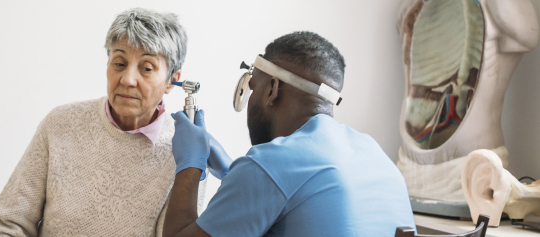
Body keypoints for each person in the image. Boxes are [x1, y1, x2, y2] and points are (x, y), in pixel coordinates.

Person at [163, 31, 416, 236]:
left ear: (272, 89)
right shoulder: (375, 155)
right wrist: (234, 173)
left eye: (253, 86)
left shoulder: (268, 165)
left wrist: (190, 165)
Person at [0, 8, 197, 236]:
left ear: (172, 81)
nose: (128, 79)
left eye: (146, 68)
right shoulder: (60, 124)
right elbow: (6, 224)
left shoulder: (186, 154)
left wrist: (192, 169)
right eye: (119, 63)